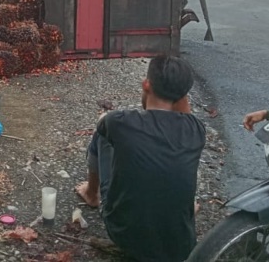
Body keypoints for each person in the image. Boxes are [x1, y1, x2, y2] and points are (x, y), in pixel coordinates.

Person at [76, 55, 206, 262]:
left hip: (124, 233)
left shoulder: (120, 122)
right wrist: (179, 93)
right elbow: (185, 115)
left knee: (102, 135)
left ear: (146, 84)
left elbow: (104, 123)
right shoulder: (197, 130)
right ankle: (183, 208)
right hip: (180, 243)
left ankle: (92, 194)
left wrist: (106, 120)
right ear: (183, 97)